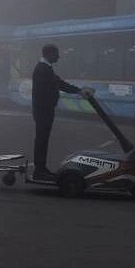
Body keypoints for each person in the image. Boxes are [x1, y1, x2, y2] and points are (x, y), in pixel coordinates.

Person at [31, 43, 93, 180]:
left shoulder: (46, 68)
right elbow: (58, 84)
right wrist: (78, 91)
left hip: (44, 110)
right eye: (56, 54)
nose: (59, 56)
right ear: (49, 54)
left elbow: (59, 83)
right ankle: (39, 170)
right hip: (44, 111)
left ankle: (41, 168)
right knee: (42, 139)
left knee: (43, 139)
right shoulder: (43, 69)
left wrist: (78, 91)